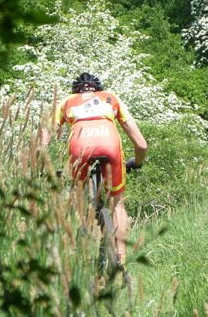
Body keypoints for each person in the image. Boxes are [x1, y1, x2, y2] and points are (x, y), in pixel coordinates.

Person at [41, 72, 148, 270]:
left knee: (80, 197)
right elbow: (141, 144)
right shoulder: (111, 98)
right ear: (97, 89)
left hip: (79, 147)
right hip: (110, 145)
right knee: (117, 204)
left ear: (76, 91)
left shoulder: (65, 102)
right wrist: (138, 163)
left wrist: (41, 166)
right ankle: (121, 259)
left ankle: (85, 243)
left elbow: (44, 141)